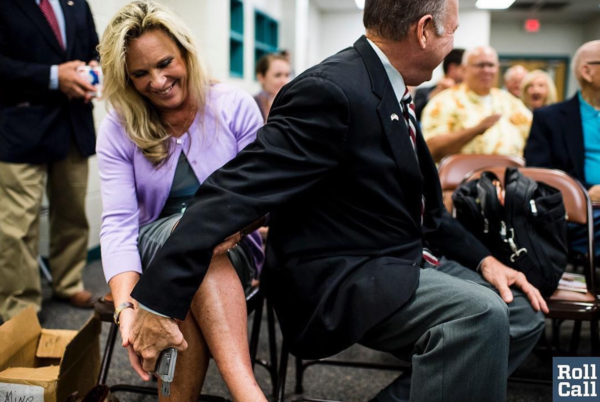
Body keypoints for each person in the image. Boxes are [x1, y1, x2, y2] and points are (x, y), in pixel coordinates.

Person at [128, 1, 547, 401]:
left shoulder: (395, 89)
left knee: (523, 315)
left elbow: (430, 214)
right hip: (342, 275)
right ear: (423, 31)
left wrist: (485, 261)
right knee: (479, 315)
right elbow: (237, 189)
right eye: (452, 28)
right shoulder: (331, 90)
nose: (454, 36)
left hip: (398, 255)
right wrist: (156, 297)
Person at [96, 2, 267, 401]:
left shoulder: (234, 105)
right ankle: (247, 392)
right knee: (189, 236)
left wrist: (227, 230)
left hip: (235, 245)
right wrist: (126, 312)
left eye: (165, 63)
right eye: (140, 74)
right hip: (154, 243)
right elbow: (119, 223)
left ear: (186, 51)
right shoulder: (119, 126)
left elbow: (261, 197)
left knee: (190, 259)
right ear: (126, 78)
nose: (157, 81)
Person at [0, 0, 99, 322]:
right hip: (19, 126)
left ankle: (68, 283)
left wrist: (94, 70)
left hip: (73, 123)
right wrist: (54, 76)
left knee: (72, 212)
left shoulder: (76, 4)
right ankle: (19, 307)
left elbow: (93, 48)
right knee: (17, 226)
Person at [525, 40, 600, 257]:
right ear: (587, 71)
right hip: (576, 212)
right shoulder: (549, 118)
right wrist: (585, 191)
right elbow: (538, 175)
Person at [421, 46, 532, 162]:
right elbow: (431, 150)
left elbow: (533, 135)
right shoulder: (444, 101)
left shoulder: (510, 102)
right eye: (480, 65)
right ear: (464, 70)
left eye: (491, 65)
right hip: (462, 177)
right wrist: (476, 130)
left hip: (510, 176)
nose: (486, 70)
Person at [413, 48, 464, 121]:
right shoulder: (423, 92)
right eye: (464, 69)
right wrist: (437, 92)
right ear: (452, 69)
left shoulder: (471, 94)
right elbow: (417, 115)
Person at [253, 53, 291, 122]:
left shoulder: (291, 103)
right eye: (278, 75)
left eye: (287, 75)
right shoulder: (252, 105)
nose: (284, 81)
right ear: (261, 77)